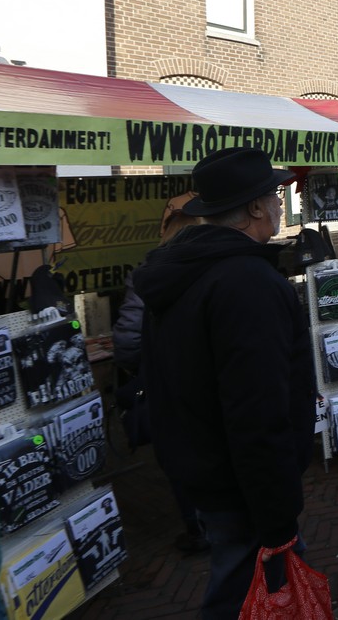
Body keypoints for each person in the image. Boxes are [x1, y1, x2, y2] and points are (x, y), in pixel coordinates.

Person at [134, 148, 315, 620]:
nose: (280, 204)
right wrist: (277, 514)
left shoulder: (183, 270)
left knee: (252, 579)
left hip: (206, 468)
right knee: (242, 591)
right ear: (255, 207)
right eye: (275, 196)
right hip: (242, 484)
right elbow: (257, 410)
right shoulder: (246, 283)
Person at [111, 192, 205, 553]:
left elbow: (126, 342)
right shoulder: (218, 270)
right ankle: (216, 522)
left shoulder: (146, 276)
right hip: (207, 383)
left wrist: (147, 365)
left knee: (179, 455)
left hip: (166, 388)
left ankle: (196, 528)